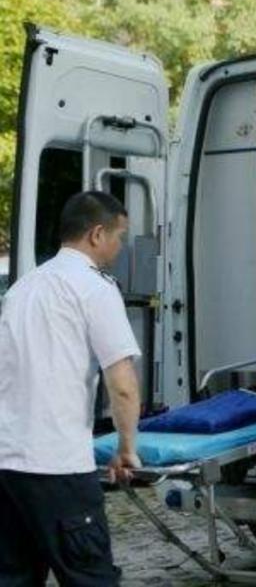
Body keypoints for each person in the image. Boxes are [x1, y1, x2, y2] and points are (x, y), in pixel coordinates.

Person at [0, 191, 143, 585]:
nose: (120, 247)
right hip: (58, 466)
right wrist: (126, 449)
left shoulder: (22, 289)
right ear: (97, 234)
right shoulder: (95, 288)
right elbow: (122, 383)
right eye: (119, 236)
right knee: (90, 577)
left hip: (7, 465)